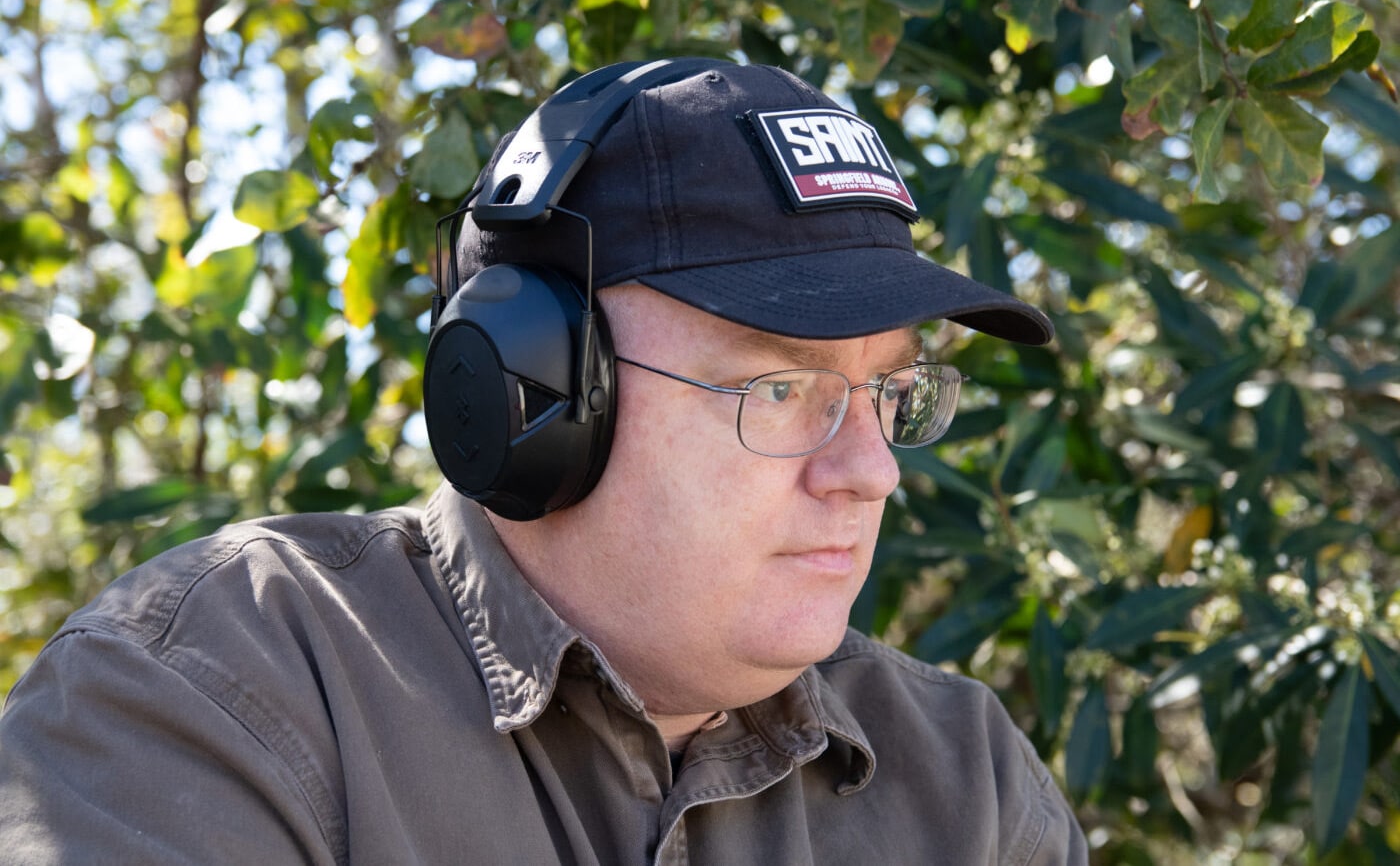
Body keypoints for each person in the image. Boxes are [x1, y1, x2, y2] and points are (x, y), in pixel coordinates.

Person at [0, 59, 1087, 864]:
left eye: (889, 391)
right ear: (534, 394)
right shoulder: (212, 689)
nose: (869, 471)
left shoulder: (965, 782)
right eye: (780, 387)